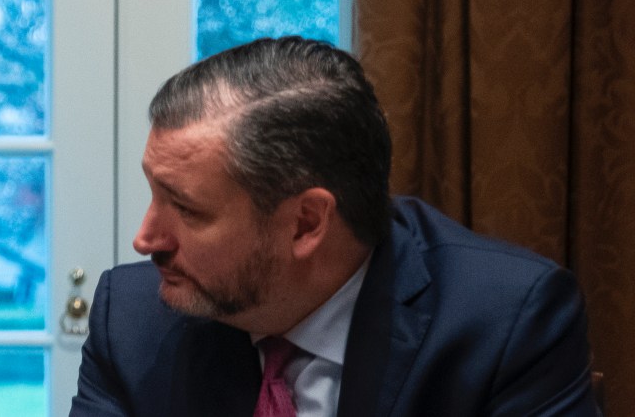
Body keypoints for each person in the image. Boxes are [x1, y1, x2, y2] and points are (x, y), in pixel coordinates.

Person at [70, 36, 597, 416]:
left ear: (305, 223)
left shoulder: (505, 323)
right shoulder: (133, 318)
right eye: (154, 192)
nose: (146, 239)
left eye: (186, 209)